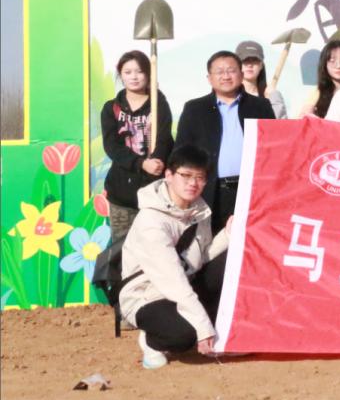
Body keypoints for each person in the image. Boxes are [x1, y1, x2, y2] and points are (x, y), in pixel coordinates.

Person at [119, 145, 230, 369]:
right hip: (147, 294)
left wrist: (228, 235)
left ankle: (221, 330)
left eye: (200, 177)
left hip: (184, 283)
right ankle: (152, 341)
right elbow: (172, 280)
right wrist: (203, 327)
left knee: (230, 259)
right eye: (186, 175)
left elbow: (202, 256)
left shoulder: (200, 211)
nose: (193, 183)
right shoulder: (151, 221)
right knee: (184, 335)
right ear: (169, 175)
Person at [176, 50, 275, 233]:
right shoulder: (194, 109)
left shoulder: (260, 106)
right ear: (209, 78)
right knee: (210, 244)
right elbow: (181, 152)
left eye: (231, 70)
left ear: (241, 75)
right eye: (219, 72)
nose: (226, 76)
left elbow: (274, 149)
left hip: (252, 191)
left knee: (249, 240)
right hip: (210, 191)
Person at [100, 51, 175, 247]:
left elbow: (164, 138)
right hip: (121, 194)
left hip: (154, 192)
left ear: (149, 74)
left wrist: (156, 162)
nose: (134, 77)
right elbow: (112, 146)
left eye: (140, 71)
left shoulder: (158, 105)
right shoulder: (111, 108)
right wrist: (141, 163)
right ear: (121, 75)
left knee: (155, 246)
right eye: (128, 72)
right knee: (122, 248)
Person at [295, 39, 340, 118]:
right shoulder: (319, 92)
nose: (338, 66)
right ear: (324, 64)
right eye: (332, 61)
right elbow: (302, 117)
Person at [236, 41, 288, 119]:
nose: (250, 65)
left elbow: (281, 124)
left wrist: (274, 98)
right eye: (245, 60)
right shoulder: (229, 95)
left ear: (261, 65)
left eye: (255, 60)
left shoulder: (272, 95)